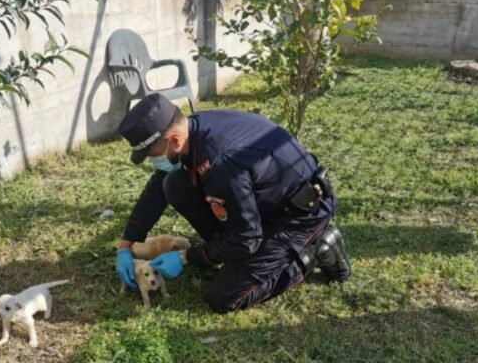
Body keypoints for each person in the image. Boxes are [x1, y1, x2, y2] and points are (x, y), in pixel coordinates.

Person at [115, 93, 350, 314]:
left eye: (151, 154)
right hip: (266, 200)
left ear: (173, 140)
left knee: (223, 298)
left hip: (298, 216)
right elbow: (156, 189)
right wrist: (125, 246)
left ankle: (314, 253)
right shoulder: (192, 129)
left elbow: (247, 238)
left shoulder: (220, 163)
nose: (152, 160)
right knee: (172, 183)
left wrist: (186, 257)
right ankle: (226, 251)